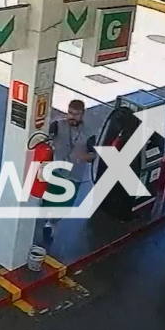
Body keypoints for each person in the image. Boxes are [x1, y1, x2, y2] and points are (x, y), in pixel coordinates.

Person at [42, 99, 97, 245]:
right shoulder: (58, 125)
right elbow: (45, 138)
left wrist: (84, 156)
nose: (72, 117)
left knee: (63, 206)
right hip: (56, 171)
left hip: (74, 175)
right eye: (70, 113)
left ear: (83, 114)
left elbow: (94, 155)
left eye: (76, 114)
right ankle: (47, 224)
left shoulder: (89, 133)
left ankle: (52, 225)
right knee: (48, 201)